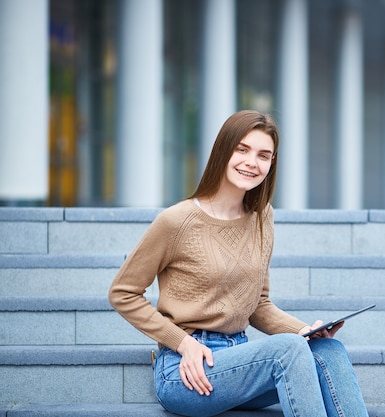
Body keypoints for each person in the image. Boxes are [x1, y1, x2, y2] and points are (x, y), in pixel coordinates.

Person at [108, 110, 369, 417]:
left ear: (271, 164)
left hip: (239, 360)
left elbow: (257, 304)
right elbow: (123, 293)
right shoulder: (176, 221)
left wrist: (305, 331)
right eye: (242, 149)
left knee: (328, 350)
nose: (251, 162)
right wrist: (181, 342)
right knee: (288, 350)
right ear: (223, 150)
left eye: (263, 155)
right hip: (186, 369)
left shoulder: (262, 218)